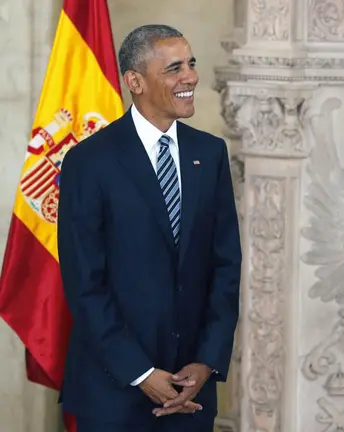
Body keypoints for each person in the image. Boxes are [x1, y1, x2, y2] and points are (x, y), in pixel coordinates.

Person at [57, 24, 241, 431]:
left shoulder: (209, 154)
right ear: (135, 81)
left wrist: (206, 361)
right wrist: (140, 372)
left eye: (191, 64)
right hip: (114, 390)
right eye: (174, 68)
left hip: (191, 391)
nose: (190, 76)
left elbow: (225, 266)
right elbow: (84, 284)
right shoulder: (89, 162)